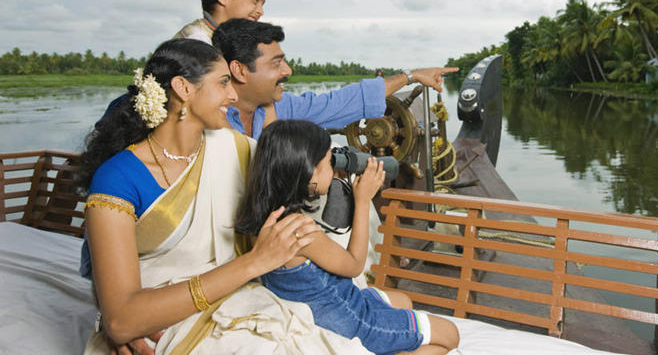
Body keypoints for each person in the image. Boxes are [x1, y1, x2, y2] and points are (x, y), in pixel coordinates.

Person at [80, 39, 370, 355]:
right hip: (166, 320)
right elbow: (122, 320)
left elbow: (300, 180)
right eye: (222, 83)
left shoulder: (234, 149)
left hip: (239, 298)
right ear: (183, 89)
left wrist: (340, 175)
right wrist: (254, 263)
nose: (233, 95)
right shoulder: (117, 178)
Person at [235, 120, 460, 355]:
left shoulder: (264, 221)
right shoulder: (300, 230)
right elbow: (353, 265)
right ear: (310, 173)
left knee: (403, 300)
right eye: (327, 163)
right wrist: (363, 200)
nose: (332, 169)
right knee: (450, 334)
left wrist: (332, 179)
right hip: (349, 321)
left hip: (328, 305)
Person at [211, 18, 458, 138]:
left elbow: (337, 103)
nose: (288, 71)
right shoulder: (205, 123)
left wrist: (411, 76)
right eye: (277, 63)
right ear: (240, 70)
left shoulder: (280, 107)